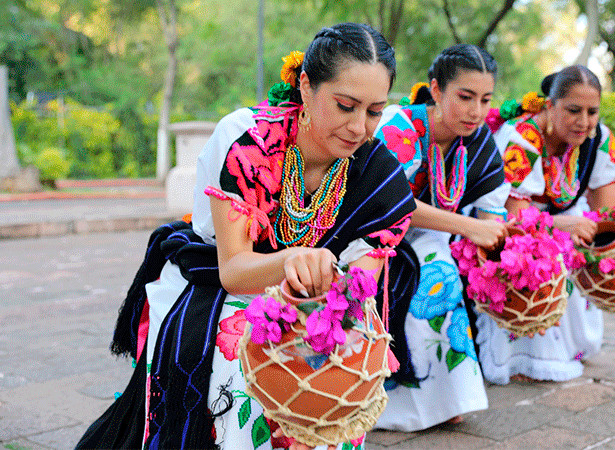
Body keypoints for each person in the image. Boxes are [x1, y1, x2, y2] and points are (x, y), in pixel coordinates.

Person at [77, 23, 416, 449]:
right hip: (222, 280)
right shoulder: (249, 140)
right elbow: (234, 270)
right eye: (346, 105)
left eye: (373, 111)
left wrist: (323, 304)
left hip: (314, 296)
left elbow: (358, 283)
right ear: (306, 87)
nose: (359, 127)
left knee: (337, 372)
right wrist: (292, 261)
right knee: (246, 362)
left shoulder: (376, 171)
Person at [372, 44, 510, 432]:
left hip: (431, 237)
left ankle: (448, 399)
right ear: (436, 90)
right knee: (435, 271)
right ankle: (394, 406)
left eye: (485, 100)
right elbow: (391, 203)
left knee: (446, 269)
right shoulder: (400, 127)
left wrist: (493, 257)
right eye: (465, 97)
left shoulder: (479, 141)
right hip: (372, 233)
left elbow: (491, 212)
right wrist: (470, 228)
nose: (476, 111)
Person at [475, 65, 615, 384]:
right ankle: (524, 359)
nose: (584, 121)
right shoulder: (523, 137)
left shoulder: (598, 137)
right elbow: (516, 220)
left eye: (591, 111)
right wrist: (561, 226)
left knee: (588, 249)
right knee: (544, 256)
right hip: (503, 223)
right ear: (550, 106)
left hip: (568, 215)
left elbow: (607, 215)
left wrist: (602, 244)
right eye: (573, 110)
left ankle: (573, 346)